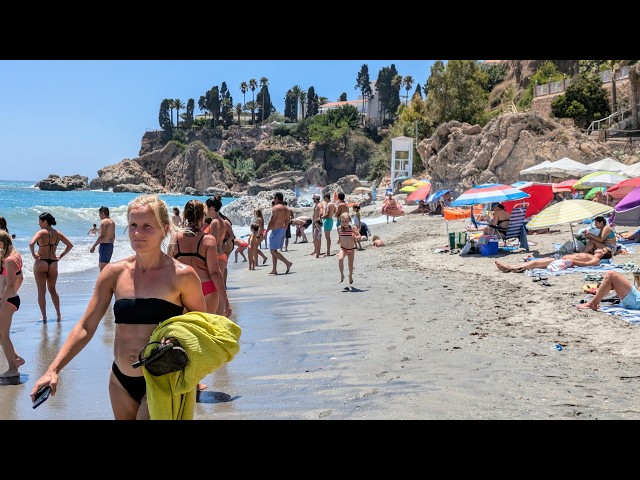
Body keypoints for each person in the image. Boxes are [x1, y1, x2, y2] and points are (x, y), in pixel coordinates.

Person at [30, 194, 207, 420]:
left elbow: (201, 328)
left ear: (164, 229)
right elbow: (86, 326)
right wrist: (53, 369)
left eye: (146, 226)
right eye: (133, 225)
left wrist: (178, 341)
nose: (137, 232)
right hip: (120, 381)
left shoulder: (182, 276)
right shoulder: (114, 273)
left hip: (163, 378)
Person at [167, 199, 230, 319]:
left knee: (185, 330)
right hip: (207, 289)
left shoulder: (175, 238)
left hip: (183, 289)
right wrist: (225, 299)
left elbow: (167, 268)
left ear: (185, 215)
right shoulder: (208, 240)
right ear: (202, 215)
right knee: (206, 328)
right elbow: (215, 273)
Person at [29, 212, 73, 322]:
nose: (38, 224)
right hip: (53, 263)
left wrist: (34, 255)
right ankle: (58, 314)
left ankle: (44, 317)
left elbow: (31, 243)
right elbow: (70, 245)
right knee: (53, 290)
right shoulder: (58, 233)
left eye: (40, 221)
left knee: (41, 291)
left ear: (45, 221)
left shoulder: (41, 232)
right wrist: (60, 256)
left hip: (41, 262)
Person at [0, 230, 25, 378]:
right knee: (1, 335)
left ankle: (13, 369)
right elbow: (20, 278)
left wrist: (2, 303)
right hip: (10, 298)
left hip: (7, 300)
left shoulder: (9, 260)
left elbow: (9, 285)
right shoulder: (15, 255)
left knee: (4, 335)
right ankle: (16, 358)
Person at [495, 249, 610, 273]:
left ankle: (511, 268)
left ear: (603, 253)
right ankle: (511, 266)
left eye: (602, 249)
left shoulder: (595, 259)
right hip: (561, 257)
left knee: (536, 264)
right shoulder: (591, 254)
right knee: (539, 261)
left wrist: (573, 261)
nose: (599, 248)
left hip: (563, 260)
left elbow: (586, 264)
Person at [265, 192, 293, 275]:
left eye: (274, 198)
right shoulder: (287, 209)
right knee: (274, 250)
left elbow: (272, 221)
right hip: (282, 230)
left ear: (276, 198)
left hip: (276, 230)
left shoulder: (275, 208)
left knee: (273, 251)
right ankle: (274, 269)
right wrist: (285, 228)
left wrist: (266, 231)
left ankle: (287, 263)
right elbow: (287, 221)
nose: (274, 200)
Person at [336, 212, 361, 285]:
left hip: (351, 249)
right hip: (343, 248)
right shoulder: (339, 228)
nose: (344, 223)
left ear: (349, 220)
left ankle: (350, 275)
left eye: (346, 221)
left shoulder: (352, 228)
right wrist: (339, 240)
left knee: (350, 265)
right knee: (340, 259)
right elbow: (340, 236)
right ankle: (342, 274)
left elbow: (359, 236)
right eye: (342, 221)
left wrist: (355, 237)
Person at [90, 206, 116, 272]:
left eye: (99, 214)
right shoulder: (112, 222)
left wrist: (94, 246)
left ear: (103, 213)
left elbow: (102, 236)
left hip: (104, 246)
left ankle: (105, 282)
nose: (99, 216)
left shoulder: (104, 222)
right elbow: (113, 235)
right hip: (110, 246)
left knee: (102, 268)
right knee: (105, 267)